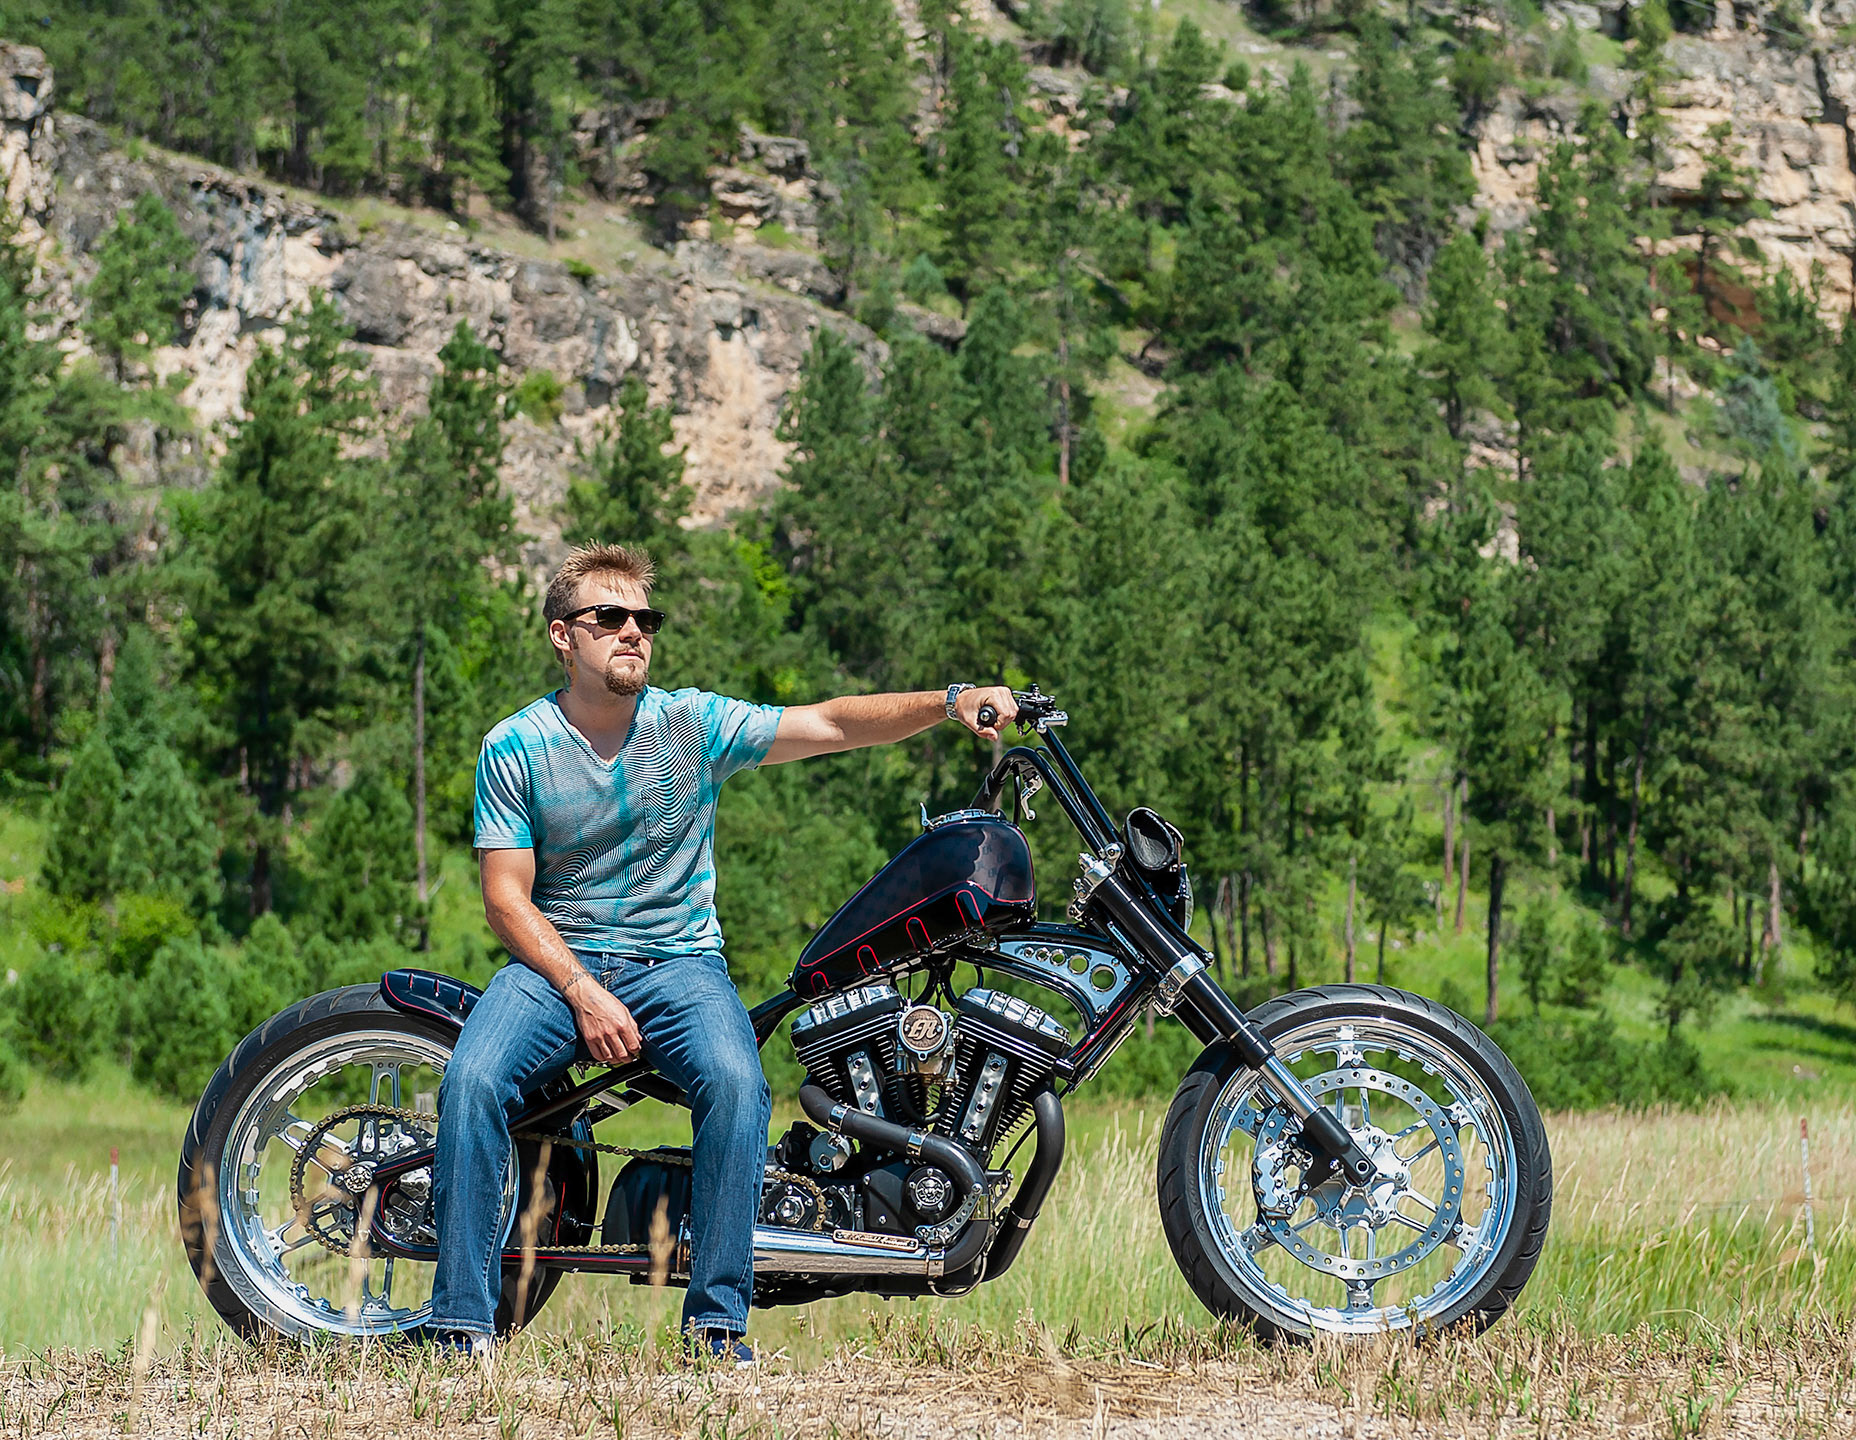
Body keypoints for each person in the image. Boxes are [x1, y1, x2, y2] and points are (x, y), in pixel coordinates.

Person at [426, 541, 1016, 1363]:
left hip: (681, 964)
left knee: (739, 1084)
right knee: (474, 1079)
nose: (633, 632)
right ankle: (459, 1326)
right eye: (611, 617)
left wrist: (950, 700)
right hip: (557, 964)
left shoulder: (690, 723)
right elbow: (505, 899)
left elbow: (829, 721)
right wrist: (582, 991)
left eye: (645, 619)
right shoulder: (516, 746)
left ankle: (716, 1330)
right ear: (564, 635)